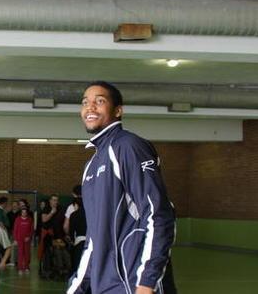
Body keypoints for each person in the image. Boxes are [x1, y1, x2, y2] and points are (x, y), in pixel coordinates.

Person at [67, 81, 176, 294]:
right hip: (106, 286)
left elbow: (159, 215)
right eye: (85, 102)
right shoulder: (92, 165)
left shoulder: (128, 146)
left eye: (99, 101)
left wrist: (147, 282)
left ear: (118, 110)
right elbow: (93, 240)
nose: (90, 107)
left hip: (135, 285)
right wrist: (76, 288)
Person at [12, 206, 33, 275]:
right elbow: (15, 230)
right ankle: (20, 268)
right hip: (19, 239)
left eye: (25, 212)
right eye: (22, 212)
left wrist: (29, 237)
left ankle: (27, 267)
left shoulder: (30, 219)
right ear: (21, 213)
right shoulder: (17, 219)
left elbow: (31, 230)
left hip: (27, 240)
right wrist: (15, 239)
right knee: (20, 254)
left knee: (27, 254)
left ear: (27, 213)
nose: (24, 213)